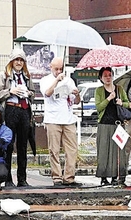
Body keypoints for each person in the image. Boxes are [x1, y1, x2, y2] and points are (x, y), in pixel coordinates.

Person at [0, 49, 34, 187]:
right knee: (9, 145)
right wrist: (10, 91)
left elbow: (33, 93)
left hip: (24, 110)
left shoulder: (27, 76)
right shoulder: (4, 75)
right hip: (10, 109)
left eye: (21, 60)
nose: (19, 63)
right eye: (16, 60)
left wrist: (28, 93)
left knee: (23, 146)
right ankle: (8, 179)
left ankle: (22, 179)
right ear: (11, 61)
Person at [39, 56, 81, 187]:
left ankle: (69, 177)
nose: (58, 71)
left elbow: (76, 101)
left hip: (68, 118)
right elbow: (47, 93)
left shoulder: (69, 81)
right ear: (51, 68)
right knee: (54, 150)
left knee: (72, 149)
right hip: (53, 119)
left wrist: (77, 94)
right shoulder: (45, 80)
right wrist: (57, 80)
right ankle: (57, 177)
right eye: (56, 69)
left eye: (60, 69)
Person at [94, 67, 129, 186]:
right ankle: (103, 177)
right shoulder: (99, 90)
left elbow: (127, 103)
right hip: (104, 124)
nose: (108, 78)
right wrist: (109, 98)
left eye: (110, 75)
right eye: (105, 76)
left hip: (117, 124)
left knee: (117, 151)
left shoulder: (119, 89)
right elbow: (98, 107)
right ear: (101, 78)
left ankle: (115, 176)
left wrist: (121, 103)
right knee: (103, 151)